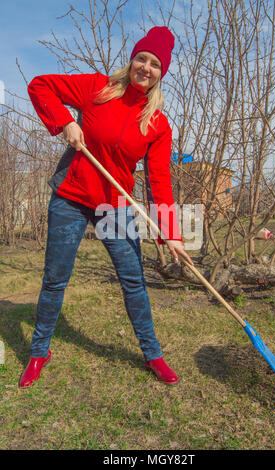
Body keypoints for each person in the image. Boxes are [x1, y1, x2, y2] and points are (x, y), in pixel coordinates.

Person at [19, 26, 193, 388]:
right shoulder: (97, 88)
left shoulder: (157, 123)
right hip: (72, 196)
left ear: (162, 73)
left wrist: (171, 233)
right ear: (132, 60)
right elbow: (40, 85)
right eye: (141, 59)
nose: (145, 67)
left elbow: (159, 179)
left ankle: (153, 355)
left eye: (154, 64)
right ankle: (39, 352)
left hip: (115, 207)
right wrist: (65, 121)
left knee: (133, 281)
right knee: (55, 279)